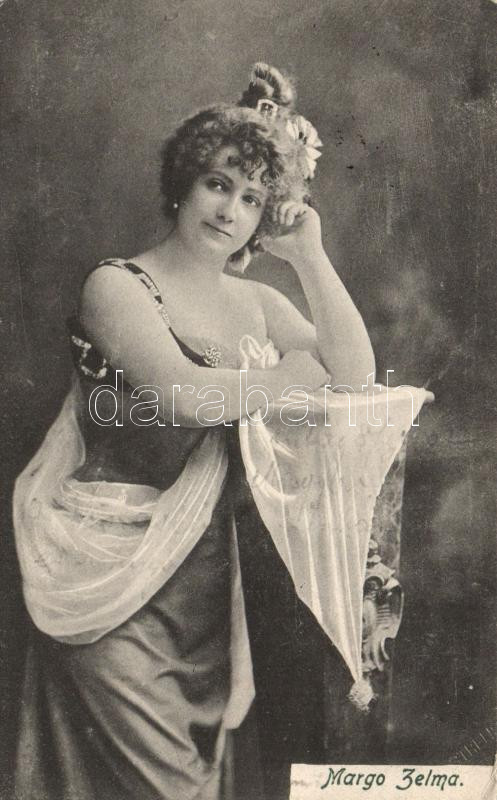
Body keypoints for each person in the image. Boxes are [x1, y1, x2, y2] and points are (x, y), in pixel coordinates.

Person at [13, 64, 375, 800]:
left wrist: (308, 255)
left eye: (252, 199)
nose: (229, 211)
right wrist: (286, 377)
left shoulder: (256, 301)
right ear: (183, 182)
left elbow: (354, 374)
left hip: (203, 581)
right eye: (217, 184)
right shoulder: (118, 284)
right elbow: (183, 398)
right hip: (107, 569)